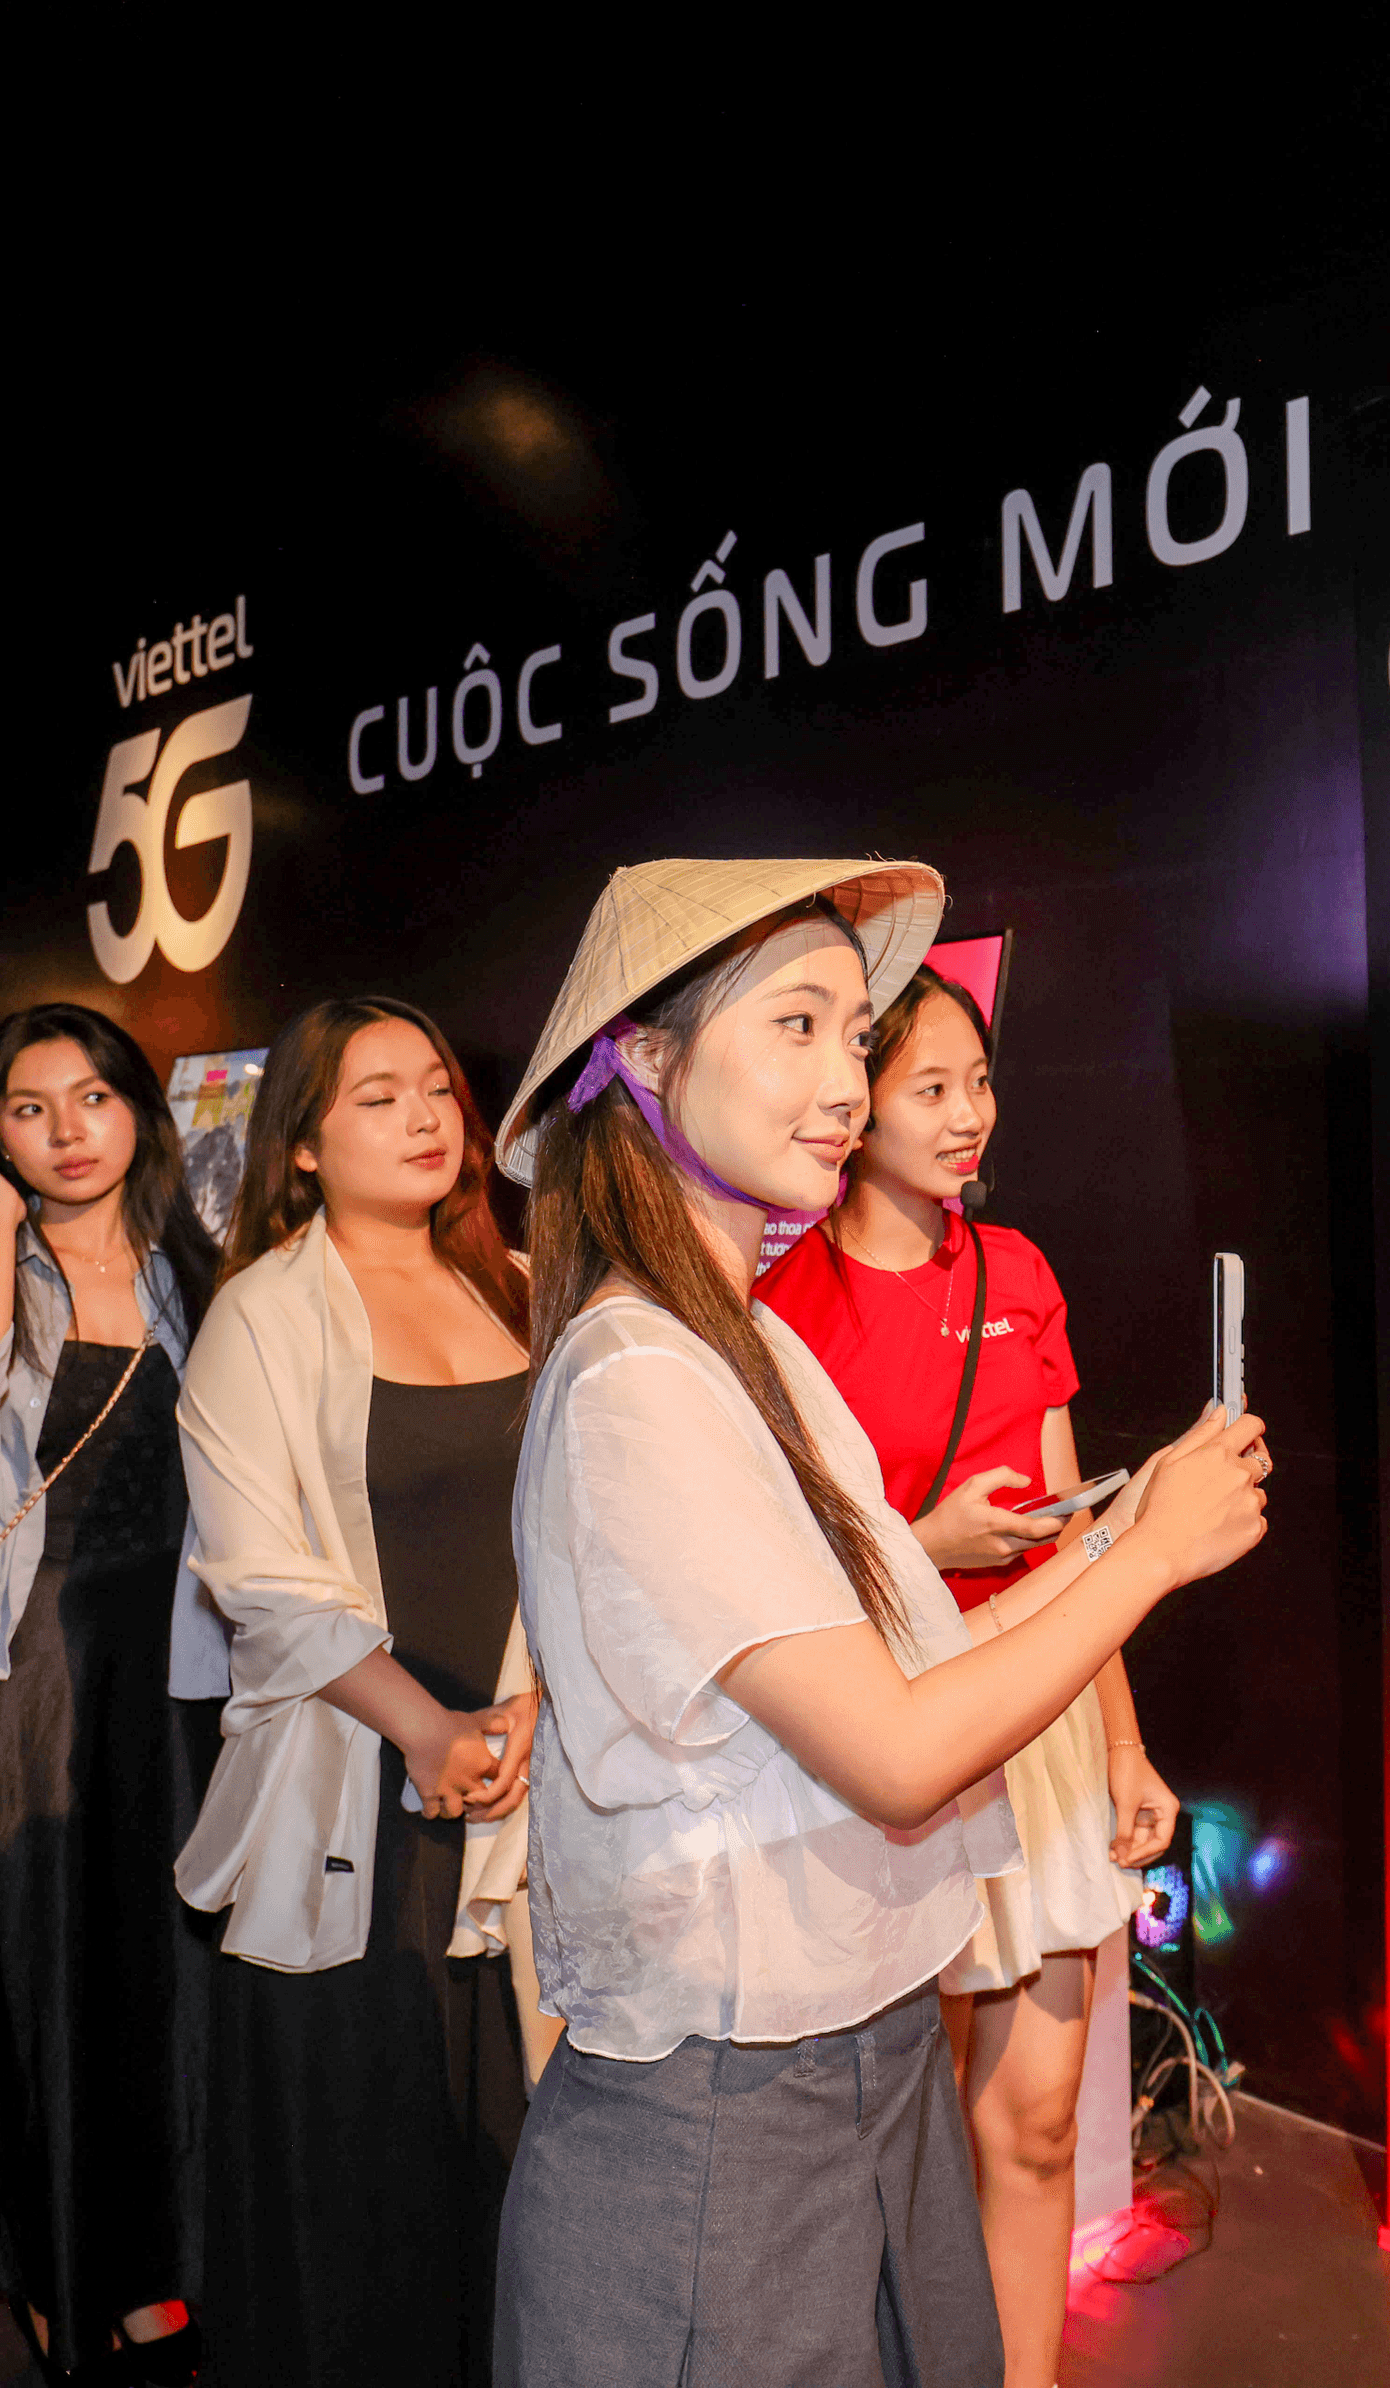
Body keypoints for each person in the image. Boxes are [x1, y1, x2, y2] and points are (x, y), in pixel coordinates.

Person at [487, 857, 1270, 2387]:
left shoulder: (751, 1351)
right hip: (723, 2124)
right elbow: (900, 1751)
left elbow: (921, 1666)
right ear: (642, 1066)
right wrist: (1146, 1557)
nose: (844, 1081)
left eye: (855, 1035)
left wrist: (1127, 1528)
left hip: (870, 2063)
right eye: (796, 1026)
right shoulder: (640, 1379)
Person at [757, 965, 1177, 2388]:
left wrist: (1124, 1743)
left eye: (979, 1083)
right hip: (897, 1730)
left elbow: (1084, 1540)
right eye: (931, 1087)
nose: (966, 1116)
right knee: (906, 2127)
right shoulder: (777, 1301)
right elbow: (772, 1571)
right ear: (853, 1100)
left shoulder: (1021, 1269)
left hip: (1044, 1705)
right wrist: (925, 1543)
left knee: (1040, 2120)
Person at [176, 996, 544, 2386]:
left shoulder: (520, 1280)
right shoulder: (262, 1316)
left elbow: (587, 1529)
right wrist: (424, 1724)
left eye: (439, 1086)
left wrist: (531, 1710)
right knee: (363, 2182)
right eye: (380, 1095)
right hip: (360, 1795)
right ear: (305, 1145)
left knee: (517, 2169)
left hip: (528, 1777)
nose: (426, 1116)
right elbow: (257, 1580)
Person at [0, 1001, 224, 2382]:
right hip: (36, 1672)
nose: (68, 1131)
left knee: (167, 1965)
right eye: (30, 1107)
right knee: (45, 1961)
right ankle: (57, 2260)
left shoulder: (197, 1268)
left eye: (92, 1098)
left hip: (187, 1656)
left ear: (139, 1109)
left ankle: (168, 2253)